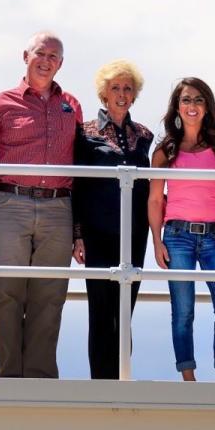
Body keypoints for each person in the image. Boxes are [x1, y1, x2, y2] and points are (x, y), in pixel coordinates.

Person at [0, 31, 82, 379]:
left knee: (50, 295)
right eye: (40, 53)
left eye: (54, 56)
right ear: (26, 56)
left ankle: (40, 379)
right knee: (7, 293)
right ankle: (9, 377)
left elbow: (80, 168)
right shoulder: (0, 103)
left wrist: (78, 230)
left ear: (61, 64)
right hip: (10, 203)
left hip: (58, 207)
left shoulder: (72, 105)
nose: (46, 61)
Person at [148, 78, 215, 382]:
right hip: (177, 238)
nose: (192, 106)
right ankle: (189, 381)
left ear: (207, 107)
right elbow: (155, 199)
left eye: (199, 100)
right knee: (183, 310)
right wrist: (157, 241)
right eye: (186, 100)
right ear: (177, 107)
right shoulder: (165, 150)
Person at [73, 60, 153, 380]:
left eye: (127, 88)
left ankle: (122, 381)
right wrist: (77, 234)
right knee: (101, 309)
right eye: (115, 88)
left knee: (125, 311)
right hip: (97, 231)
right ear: (104, 93)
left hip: (134, 232)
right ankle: (100, 385)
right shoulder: (85, 132)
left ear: (134, 94)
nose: (121, 94)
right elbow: (77, 186)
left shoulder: (144, 135)